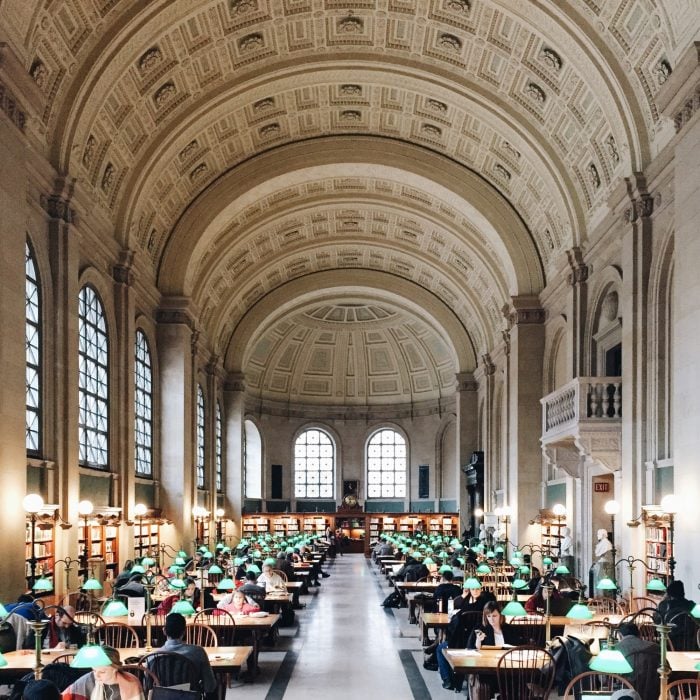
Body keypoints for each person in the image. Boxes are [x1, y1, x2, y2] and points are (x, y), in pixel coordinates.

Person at [158, 613, 217, 698]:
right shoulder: (198, 652)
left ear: (164, 631)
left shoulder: (153, 657)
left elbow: (148, 687)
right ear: (184, 631)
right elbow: (210, 686)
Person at [61, 645, 144, 700]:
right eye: (94, 670)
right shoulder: (88, 679)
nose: (96, 675)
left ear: (115, 668)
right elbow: (63, 696)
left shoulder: (131, 684)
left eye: (102, 672)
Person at [615, 622, 660, 700]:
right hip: (654, 691)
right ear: (639, 634)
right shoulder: (656, 647)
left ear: (620, 635)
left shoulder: (616, 648)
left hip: (627, 693)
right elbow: (667, 670)